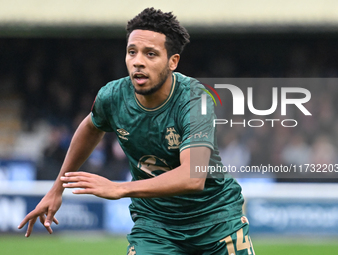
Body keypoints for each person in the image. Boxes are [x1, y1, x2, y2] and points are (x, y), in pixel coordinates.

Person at [19, 8, 255, 255]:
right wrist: (58, 187)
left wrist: (119, 189)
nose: (138, 61)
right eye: (132, 52)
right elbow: (91, 127)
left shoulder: (195, 100)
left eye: (150, 54)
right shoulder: (112, 96)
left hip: (215, 220)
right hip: (155, 225)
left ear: (173, 61)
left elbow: (192, 177)